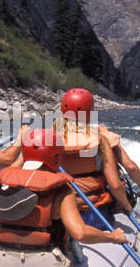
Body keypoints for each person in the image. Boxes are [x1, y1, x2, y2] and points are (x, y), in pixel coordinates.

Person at [0, 129, 126, 267]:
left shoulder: (7, 184)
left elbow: (30, 199)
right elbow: (80, 233)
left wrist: (26, 156)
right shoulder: (62, 192)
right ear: (57, 157)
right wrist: (113, 237)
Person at [53, 87, 131, 227]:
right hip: (92, 213)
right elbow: (115, 185)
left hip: (58, 212)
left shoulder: (48, 139)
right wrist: (126, 205)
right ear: (89, 113)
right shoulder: (99, 140)